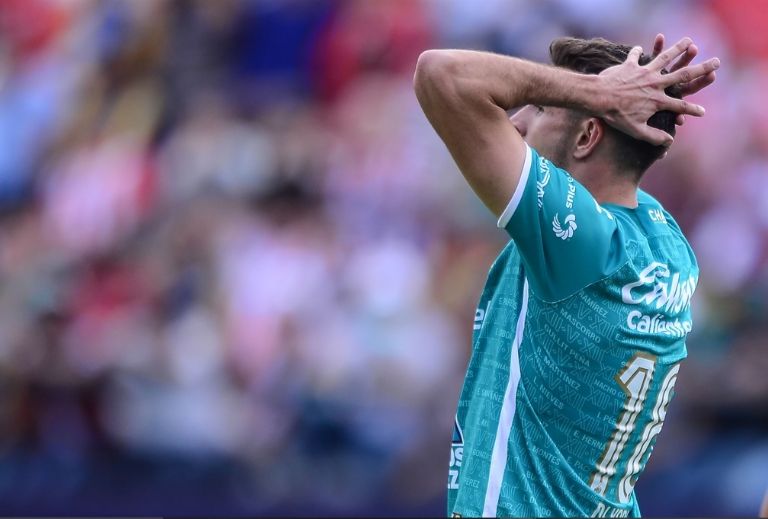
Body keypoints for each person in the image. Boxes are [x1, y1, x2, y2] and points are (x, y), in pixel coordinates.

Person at [413, 34, 719, 518]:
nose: (515, 121)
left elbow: (440, 74)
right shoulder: (664, 239)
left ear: (586, 137)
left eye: (540, 108)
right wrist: (651, 104)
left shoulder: (582, 246)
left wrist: (598, 94)